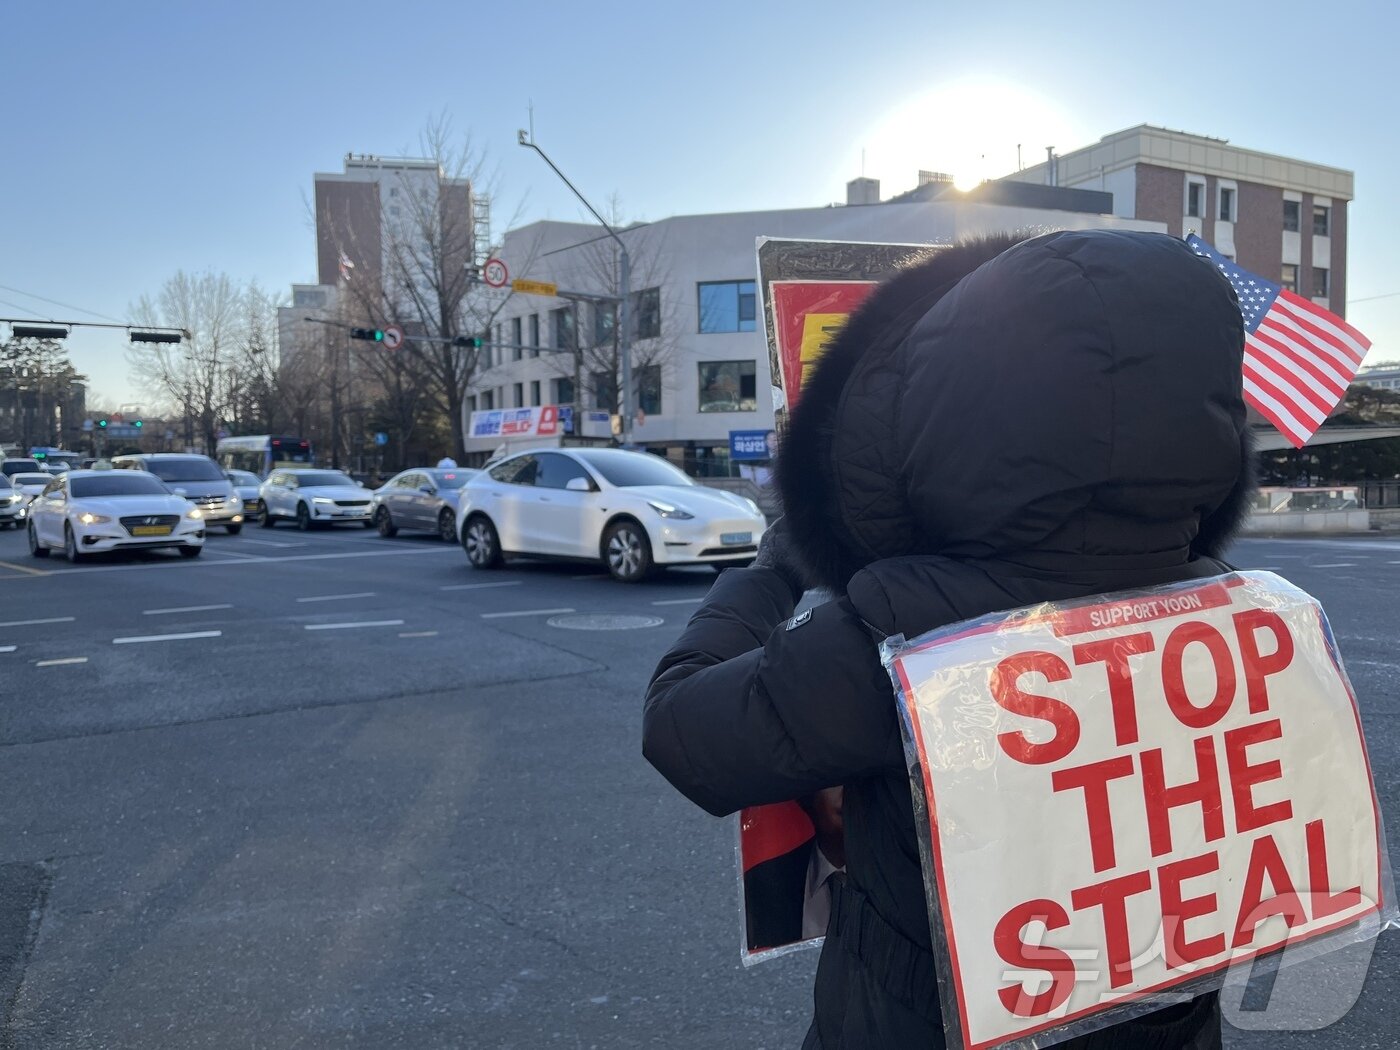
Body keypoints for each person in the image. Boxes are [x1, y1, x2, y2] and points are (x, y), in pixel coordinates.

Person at [643, 230, 1253, 1049]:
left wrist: (771, 571)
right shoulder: (1242, 613)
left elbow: (681, 727)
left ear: (953, 417)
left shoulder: (901, 638)